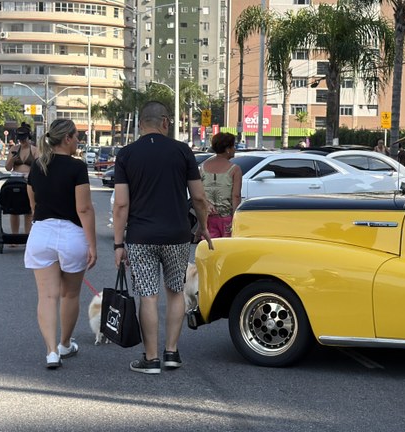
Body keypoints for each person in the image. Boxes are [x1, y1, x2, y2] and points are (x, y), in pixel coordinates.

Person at [113, 101, 212, 375]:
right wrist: (203, 226)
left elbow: (121, 204)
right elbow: (200, 197)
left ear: (141, 123)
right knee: (175, 292)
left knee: (147, 296)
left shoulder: (126, 154)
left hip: (140, 237)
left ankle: (151, 358)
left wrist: (118, 244)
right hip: (177, 236)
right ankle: (171, 352)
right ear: (166, 123)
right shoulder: (182, 151)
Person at [24, 118, 96, 369]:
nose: (78, 141)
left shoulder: (37, 166)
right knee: (70, 294)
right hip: (71, 234)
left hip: (41, 232)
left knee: (46, 296)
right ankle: (65, 344)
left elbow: (32, 203)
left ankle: (51, 351)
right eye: (76, 136)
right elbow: (84, 209)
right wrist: (92, 245)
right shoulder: (77, 167)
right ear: (67, 138)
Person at [200, 132, 242, 238]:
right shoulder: (235, 169)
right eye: (233, 146)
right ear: (228, 149)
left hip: (207, 217)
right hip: (226, 218)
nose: (234, 149)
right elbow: (236, 196)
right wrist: (235, 219)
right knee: (225, 250)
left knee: (210, 250)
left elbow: (200, 194)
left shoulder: (203, 167)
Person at [5, 123, 39, 237]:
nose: (22, 142)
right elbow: (8, 167)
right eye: (20, 139)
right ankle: (14, 235)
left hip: (29, 181)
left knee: (28, 211)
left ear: (29, 137)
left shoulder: (34, 150)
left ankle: (27, 236)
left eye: (24, 139)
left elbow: (39, 168)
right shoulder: (14, 149)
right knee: (14, 211)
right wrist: (13, 159)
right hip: (16, 179)